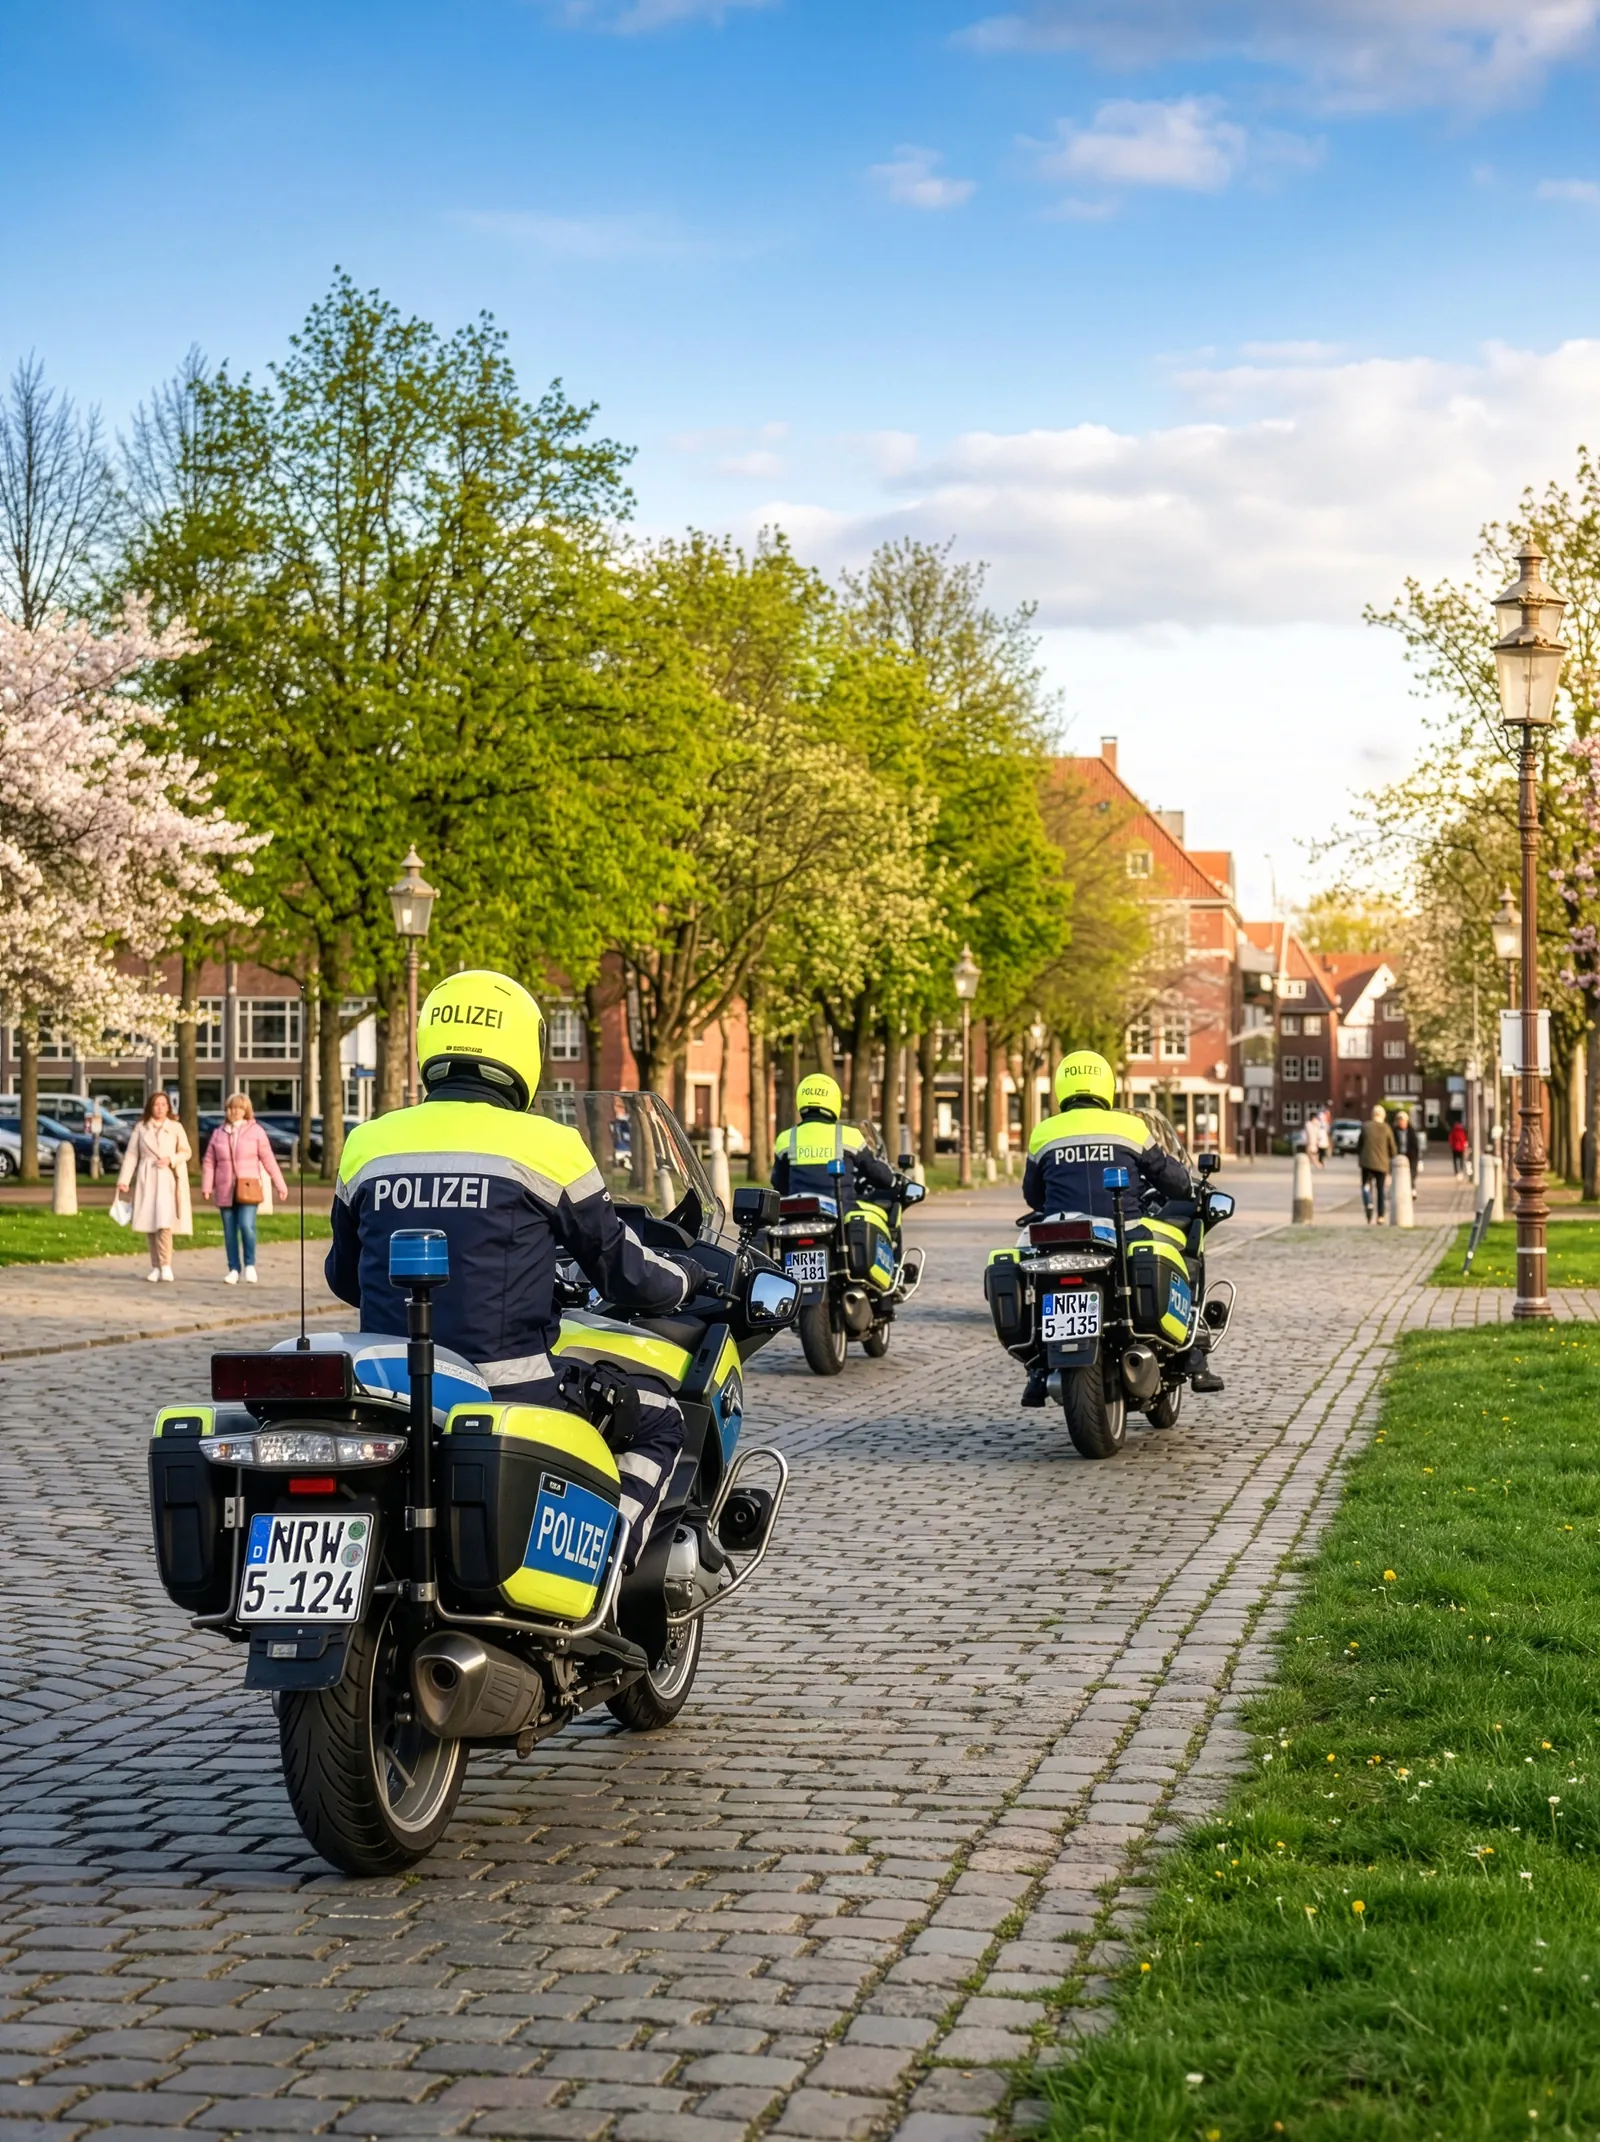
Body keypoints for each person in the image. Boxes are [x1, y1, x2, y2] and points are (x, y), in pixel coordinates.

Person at [326, 971, 698, 1560]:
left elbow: (343, 1277)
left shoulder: (368, 1142)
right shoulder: (547, 1144)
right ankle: (604, 1569)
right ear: (524, 1049)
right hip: (509, 1390)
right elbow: (624, 1272)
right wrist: (687, 1277)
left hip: (388, 1393)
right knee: (660, 1419)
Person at [1020, 1050, 1207, 1403]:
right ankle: (1191, 1346)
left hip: (1061, 1236)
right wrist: (1186, 1187)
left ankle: (1039, 1365)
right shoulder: (1130, 1127)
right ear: (1106, 1085)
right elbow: (1173, 1180)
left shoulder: (1043, 1132)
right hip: (1124, 1231)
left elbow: (1033, 1196)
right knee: (1181, 1257)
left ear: (1064, 1086)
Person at [772, 1073, 903, 1209]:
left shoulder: (786, 1138)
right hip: (840, 1212)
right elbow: (875, 1172)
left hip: (797, 1212)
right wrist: (892, 1181)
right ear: (835, 1101)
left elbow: (779, 1182)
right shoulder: (849, 1135)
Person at [202, 1093, 288, 1286]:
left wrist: (280, 1184)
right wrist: (207, 1186)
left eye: (239, 1108)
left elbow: (268, 1159)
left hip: (248, 1187)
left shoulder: (256, 1131)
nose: (234, 1112)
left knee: (247, 1225)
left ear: (246, 1110)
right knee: (229, 1231)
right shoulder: (219, 1133)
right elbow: (209, 1162)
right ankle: (233, 1268)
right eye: (231, 1108)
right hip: (225, 1188)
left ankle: (250, 1264)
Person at [117, 1091, 193, 1282]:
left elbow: (186, 1151)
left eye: (163, 1104)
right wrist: (124, 1180)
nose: (159, 1108)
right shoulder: (141, 1128)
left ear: (168, 1107)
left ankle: (166, 1264)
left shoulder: (175, 1127)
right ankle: (155, 1266)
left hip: (168, 1178)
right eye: (156, 1104)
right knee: (150, 1223)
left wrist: (171, 1159)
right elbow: (132, 1155)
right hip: (147, 1177)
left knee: (164, 1223)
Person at [1357, 1104, 1396, 1224]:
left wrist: (1361, 1155)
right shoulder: (1386, 1128)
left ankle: (1368, 1203)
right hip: (1382, 1164)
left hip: (1366, 1163)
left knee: (1366, 1186)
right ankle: (1381, 1216)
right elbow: (1393, 1148)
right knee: (1380, 1190)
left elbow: (1359, 1145)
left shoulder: (1365, 1127)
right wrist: (1392, 1158)